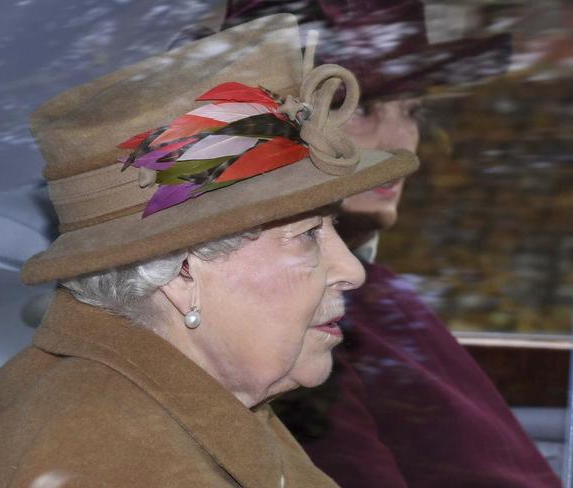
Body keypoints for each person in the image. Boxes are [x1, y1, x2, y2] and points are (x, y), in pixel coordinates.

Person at [0, 14, 419, 488]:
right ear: (182, 273)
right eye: (308, 235)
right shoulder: (106, 455)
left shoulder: (196, 400)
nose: (351, 271)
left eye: (332, 225)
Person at [221, 1, 562, 487]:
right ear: (275, 123)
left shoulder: (383, 295)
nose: (402, 143)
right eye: (360, 107)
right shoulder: (295, 317)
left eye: (413, 111)